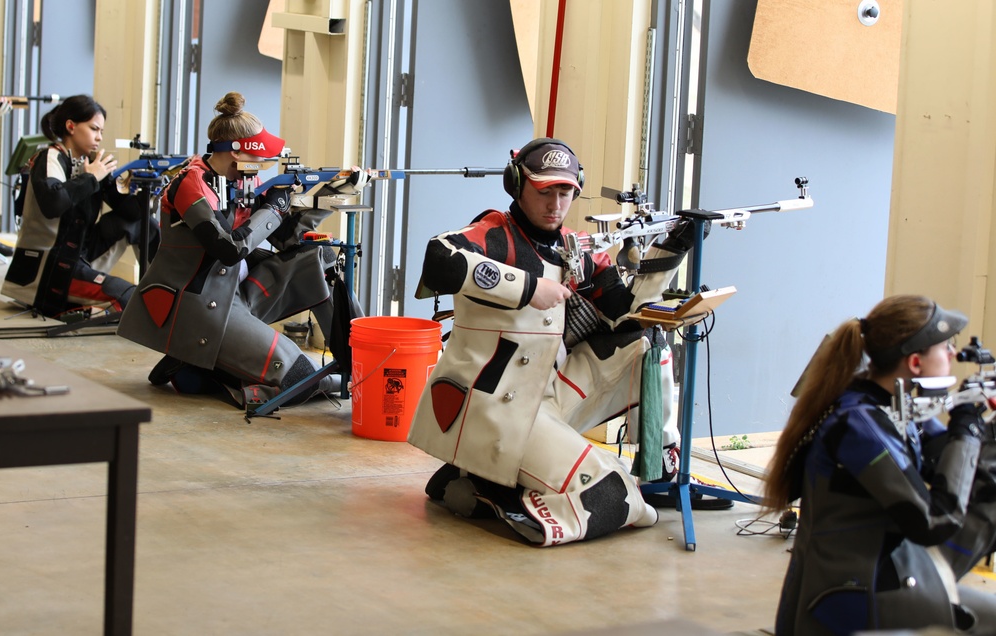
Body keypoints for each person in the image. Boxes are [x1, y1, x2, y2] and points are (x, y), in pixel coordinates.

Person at [407, 137, 722, 547]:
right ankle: (499, 493)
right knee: (617, 498)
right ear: (516, 184)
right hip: (492, 410)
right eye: (545, 191)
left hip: (546, 397)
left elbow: (621, 311)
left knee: (642, 342)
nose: (555, 203)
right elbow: (439, 257)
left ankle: (659, 468)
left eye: (565, 192)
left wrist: (672, 249)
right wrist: (526, 288)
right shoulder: (494, 234)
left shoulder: (574, 249)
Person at [117, 92, 368, 409]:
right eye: (259, 160)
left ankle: (359, 356)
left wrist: (334, 193)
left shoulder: (243, 181)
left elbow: (288, 239)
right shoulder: (191, 184)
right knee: (299, 376)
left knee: (319, 256)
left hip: (238, 293)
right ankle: (215, 371)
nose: (262, 168)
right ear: (237, 154)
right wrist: (277, 206)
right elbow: (229, 248)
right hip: (199, 307)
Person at [765, 295, 996, 635]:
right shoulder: (861, 426)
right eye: (946, 346)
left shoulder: (889, 406)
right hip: (854, 599)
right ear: (915, 363)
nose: (952, 354)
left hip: (888, 580)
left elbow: (961, 466)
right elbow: (933, 521)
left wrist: (981, 430)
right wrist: (968, 429)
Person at [1, 94, 158, 317]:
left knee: (144, 224)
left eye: (101, 132)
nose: (99, 137)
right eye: (94, 129)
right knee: (128, 297)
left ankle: (167, 286)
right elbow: (53, 203)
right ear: (71, 126)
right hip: (49, 267)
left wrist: (144, 190)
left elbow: (130, 213)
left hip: (79, 254)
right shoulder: (49, 157)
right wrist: (91, 178)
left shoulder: (92, 164)